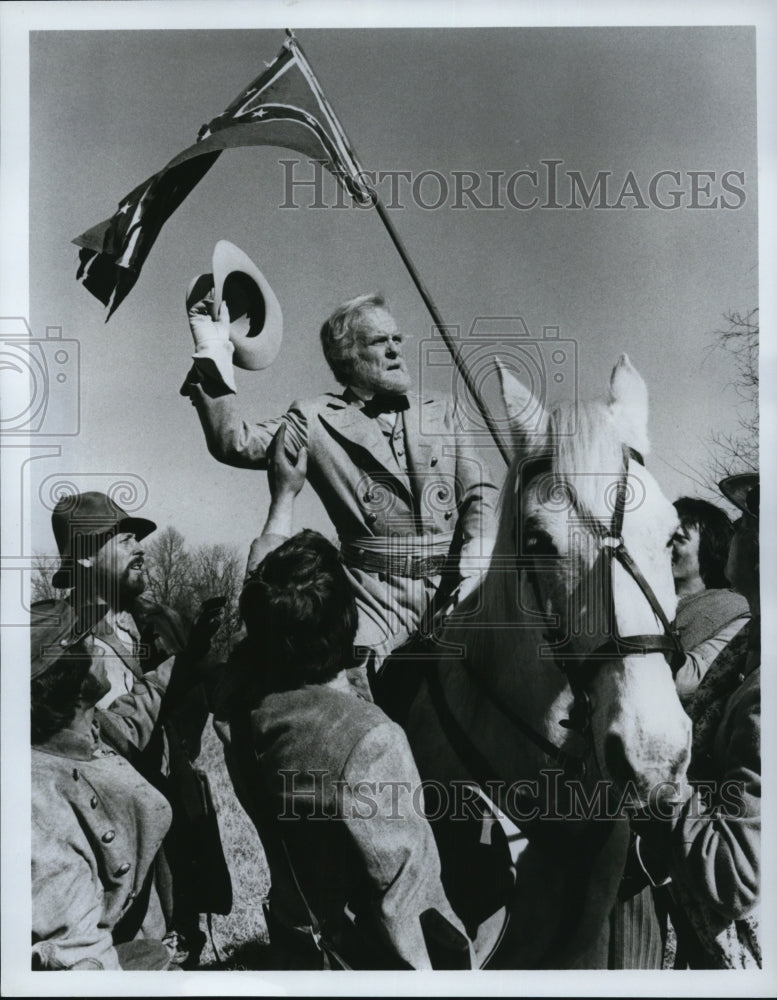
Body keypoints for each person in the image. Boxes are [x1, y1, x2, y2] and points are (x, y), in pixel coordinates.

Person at [212, 427, 472, 970]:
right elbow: (408, 910)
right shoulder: (369, 741)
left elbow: (256, 615)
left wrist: (283, 495)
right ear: (349, 620)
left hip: (292, 938)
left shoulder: (241, 706)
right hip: (359, 963)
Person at [182, 289, 499, 691]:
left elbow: (480, 493)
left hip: (461, 584)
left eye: (397, 339)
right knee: (350, 698)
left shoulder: (445, 409)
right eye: (379, 342)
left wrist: (478, 562)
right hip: (375, 602)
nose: (395, 351)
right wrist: (212, 344)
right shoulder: (314, 419)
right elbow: (235, 442)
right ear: (347, 356)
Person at [47, 490, 225, 965]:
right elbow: (112, 736)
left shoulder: (150, 625)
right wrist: (175, 670)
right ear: (85, 561)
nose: (140, 547)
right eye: (123, 539)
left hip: (166, 823)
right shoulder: (61, 647)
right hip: (111, 841)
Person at [639, 473, 760, 969]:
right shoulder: (747, 649)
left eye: (751, 519)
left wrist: (656, 779)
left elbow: (735, 876)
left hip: (733, 955)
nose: (738, 525)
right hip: (700, 934)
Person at [31, 601, 178, 971]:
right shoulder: (39, 804)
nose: (98, 647)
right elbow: (79, 958)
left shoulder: (86, 730)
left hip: (143, 938)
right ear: (68, 677)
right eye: (86, 643)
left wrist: (178, 663)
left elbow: (135, 716)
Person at [670, 497, 749, 702]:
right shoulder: (631, 595)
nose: (662, 545)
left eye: (677, 538)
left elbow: (689, 680)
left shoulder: (738, 612)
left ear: (709, 548)